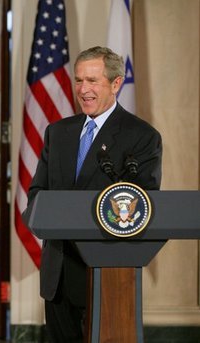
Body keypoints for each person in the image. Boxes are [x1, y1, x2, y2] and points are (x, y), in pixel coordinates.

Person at [22, 46, 162, 342]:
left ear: (115, 84)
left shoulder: (141, 136)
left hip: (105, 273)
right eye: (78, 80)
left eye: (92, 81)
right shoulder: (58, 132)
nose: (83, 90)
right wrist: (41, 218)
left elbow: (142, 204)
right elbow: (37, 192)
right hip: (57, 272)